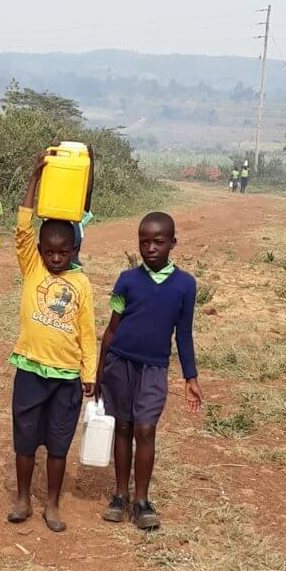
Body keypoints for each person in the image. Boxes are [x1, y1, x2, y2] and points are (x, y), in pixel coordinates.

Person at [8, 153, 97, 533]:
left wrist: (89, 373)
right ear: (40, 251)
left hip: (66, 376)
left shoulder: (81, 284)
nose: (56, 257)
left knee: (59, 444)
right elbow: (24, 228)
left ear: (74, 250)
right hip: (30, 368)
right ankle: (23, 498)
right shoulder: (32, 266)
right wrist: (34, 177)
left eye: (64, 252)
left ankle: (54, 504)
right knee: (25, 440)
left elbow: (88, 333)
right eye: (50, 251)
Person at [96, 212, 202, 530]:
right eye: (144, 241)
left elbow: (183, 333)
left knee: (145, 429)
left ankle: (141, 501)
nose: (151, 248)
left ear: (172, 243)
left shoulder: (185, 285)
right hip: (120, 362)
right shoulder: (126, 280)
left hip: (154, 369)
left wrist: (190, 377)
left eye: (158, 241)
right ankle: (119, 495)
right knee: (123, 428)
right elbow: (112, 328)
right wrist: (99, 370)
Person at [71, 144, 95, 266]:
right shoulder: (50, 214)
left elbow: (88, 191)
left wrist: (90, 161)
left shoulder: (77, 215)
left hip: (73, 274)